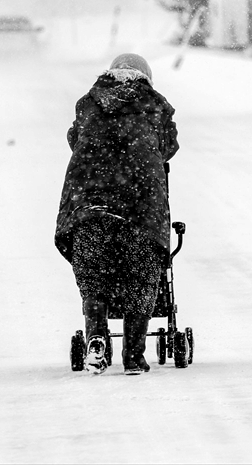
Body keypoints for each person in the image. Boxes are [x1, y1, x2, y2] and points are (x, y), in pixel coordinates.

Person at [55, 53, 179, 375]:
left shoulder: (90, 102)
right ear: (146, 77)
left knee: (95, 276)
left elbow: (74, 138)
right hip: (139, 209)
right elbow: (170, 145)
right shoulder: (155, 105)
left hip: (90, 207)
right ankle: (134, 356)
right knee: (140, 279)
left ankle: (96, 335)